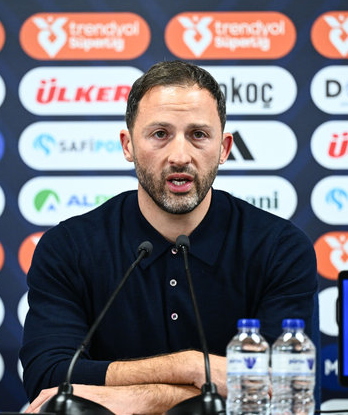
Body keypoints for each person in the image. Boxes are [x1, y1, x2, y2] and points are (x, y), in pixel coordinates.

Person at [20, 60, 318, 414]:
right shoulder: (68, 247)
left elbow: (276, 390)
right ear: (128, 145)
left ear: (224, 148)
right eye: (160, 134)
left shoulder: (281, 248)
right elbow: (49, 380)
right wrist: (191, 367)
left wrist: (133, 398)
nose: (180, 156)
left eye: (198, 135)